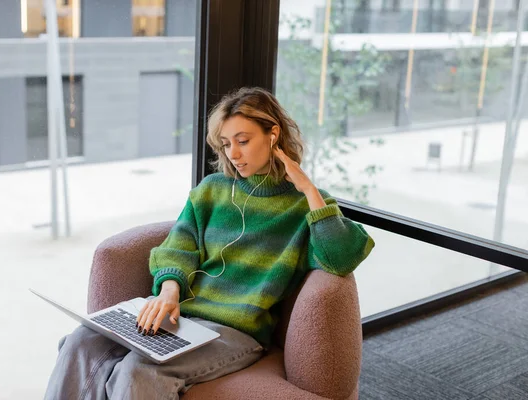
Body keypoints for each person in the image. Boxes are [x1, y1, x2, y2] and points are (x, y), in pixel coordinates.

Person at [44, 87, 375, 399]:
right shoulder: (212, 190)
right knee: (81, 344)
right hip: (182, 320)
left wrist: (308, 189)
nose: (233, 154)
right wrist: (169, 291)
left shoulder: (304, 206)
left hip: (235, 333)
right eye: (226, 143)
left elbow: (341, 258)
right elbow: (179, 243)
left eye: (242, 141)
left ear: (273, 135)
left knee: (139, 370)